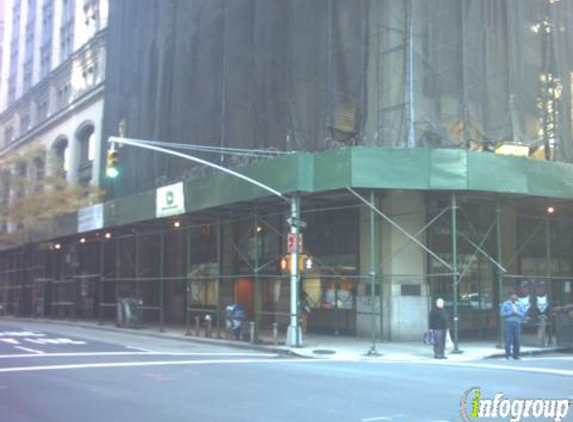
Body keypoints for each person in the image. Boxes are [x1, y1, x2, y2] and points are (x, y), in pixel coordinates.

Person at [500, 293, 527, 360]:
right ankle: (508, 355)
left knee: (517, 340)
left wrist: (517, 313)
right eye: (512, 297)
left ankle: (516, 355)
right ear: (510, 297)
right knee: (508, 340)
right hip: (509, 323)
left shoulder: (520, 304)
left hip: (517, 322)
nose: (514, 298)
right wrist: (510, 313)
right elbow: (502, 313)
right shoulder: (506, 304)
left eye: (515, 297)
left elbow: (523, 313)